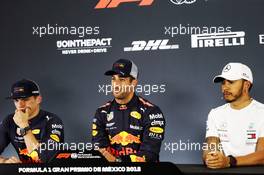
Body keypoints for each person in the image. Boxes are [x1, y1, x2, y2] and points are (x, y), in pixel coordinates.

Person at [92, 59, 165, 162]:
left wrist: (117, 161)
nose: (116, 84)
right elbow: (100, 152)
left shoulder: (152, 112)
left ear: (133, 83)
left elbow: (149, 154)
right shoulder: (101, 112)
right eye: (113, 79)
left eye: (121, 79)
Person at [203, 63, 264, 169]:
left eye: (231, 82)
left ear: (246, 85)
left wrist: (229, 161)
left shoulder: (262, 112)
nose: (224, 88)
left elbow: (262, 154)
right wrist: (211, 158)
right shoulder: (215, 113)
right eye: (223, 83)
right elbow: (210, 147)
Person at [0, 79, 64, 163]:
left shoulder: (53, 121)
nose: (20, 105)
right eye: (16, 100)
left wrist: (24, 125)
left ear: (38, 99)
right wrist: (4, 161)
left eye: (25, 99)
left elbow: (43, 159)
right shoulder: (9, 121)